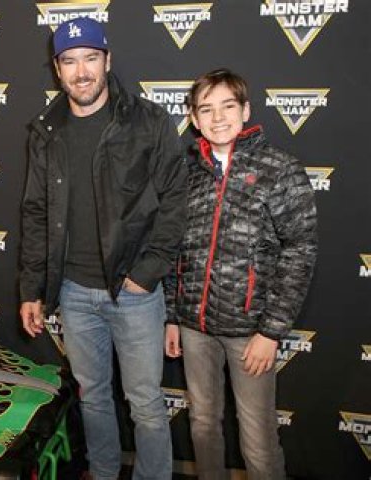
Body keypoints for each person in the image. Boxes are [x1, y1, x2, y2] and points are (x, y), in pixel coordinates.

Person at [19, 17, 187, 480]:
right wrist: (31, 288)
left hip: (134, 293)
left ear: (108, 61)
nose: (82, 72)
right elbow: (35, 211)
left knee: (146, 404)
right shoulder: (46, 131)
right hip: (73, 292)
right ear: (57, 70)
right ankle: (105, 473)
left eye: (91, 58)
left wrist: (146, 273)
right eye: (70, 61)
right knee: (92, 397)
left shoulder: (149, 122)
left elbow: (176, 203)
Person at [164, 68, 317, 480]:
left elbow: (300, 250)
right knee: (202, 425)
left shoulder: (279, 169)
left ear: (245, 110)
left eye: (227, 106)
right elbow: (173, 249)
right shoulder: (186, 173)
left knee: (258, 440)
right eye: (206, 109)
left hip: (250, 333)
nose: (218, 118)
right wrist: (172, 317)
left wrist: (271, 332)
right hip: (194, 328)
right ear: (193, 118)